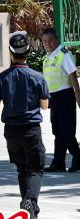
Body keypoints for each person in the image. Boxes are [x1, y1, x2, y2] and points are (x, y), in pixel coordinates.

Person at [0, 31, 50, 219]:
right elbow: (44, 106)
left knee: (22, 169)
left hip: (11, 131)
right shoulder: (38, 77)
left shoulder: (1, 78)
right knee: (35, 169)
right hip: (31, 129)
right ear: (28, 51)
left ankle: (29, 211)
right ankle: (29, 202)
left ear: (10, 53)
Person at [40, 28, 80, 172]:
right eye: (45, 41)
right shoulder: (48, 57)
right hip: (54, 98)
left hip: (65, 96)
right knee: (57, 131)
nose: (48, 43)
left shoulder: (64, 54)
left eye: (50, 40)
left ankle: (78, 156)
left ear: (56, 39)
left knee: (67, 130)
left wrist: (78, 97)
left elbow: (73, 77)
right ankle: (58, 163)